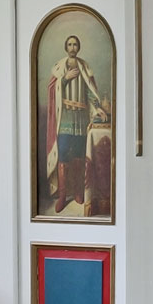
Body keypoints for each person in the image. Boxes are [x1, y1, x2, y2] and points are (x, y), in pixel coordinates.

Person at [44, 34, 106, 212]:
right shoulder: (59, 67)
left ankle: (78, 191)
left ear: (78, 47)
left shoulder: (84, 67)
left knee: (79, 154)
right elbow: (51, 90)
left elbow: (90, 91)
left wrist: (98, 108)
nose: (72, 47)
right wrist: (65, 79)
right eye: (70, 44)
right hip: (65, 117)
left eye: (75, 44)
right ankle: (63, 195)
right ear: (66, 48)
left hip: (80, 118)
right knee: (63, 154)